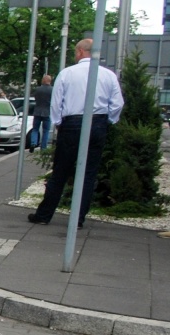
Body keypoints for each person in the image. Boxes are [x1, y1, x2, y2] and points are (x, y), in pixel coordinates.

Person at [28, 39, 123, 228]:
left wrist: (58, 123)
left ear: (80, 51)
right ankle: (78, 218)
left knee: (60, 171)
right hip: (97, 123)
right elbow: (117, 103)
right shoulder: (108, 75)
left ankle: (44, 215)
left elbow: (57, 102)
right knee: (88, 173)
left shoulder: (67, 74)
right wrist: (109, 120)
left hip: (72, 124)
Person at [30, 74, 53, 151]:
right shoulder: (52, 90)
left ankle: (33, 143)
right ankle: (43, 147)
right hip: (47, 112)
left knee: (35, 129)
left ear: (44, 80)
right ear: (50, 81)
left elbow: (35, 98)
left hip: (37, 111)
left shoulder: (38, 89)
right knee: (46, 131)